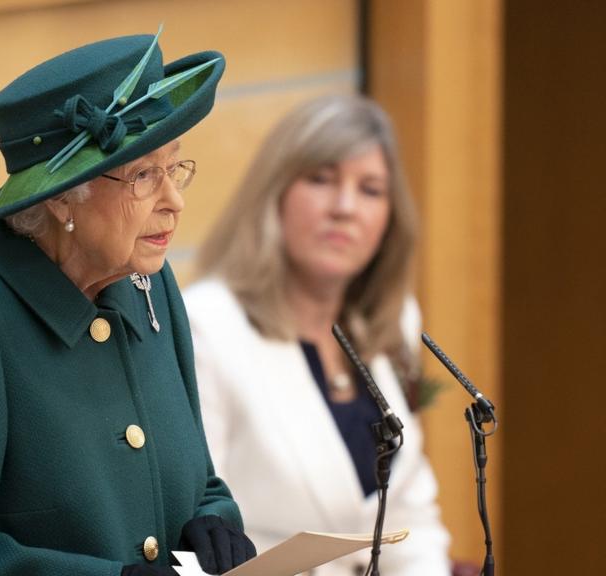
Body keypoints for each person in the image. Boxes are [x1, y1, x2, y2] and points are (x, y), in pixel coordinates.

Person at [0, 30, 256, 576]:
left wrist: (214, 520)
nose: (174, 201)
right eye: (144, 175)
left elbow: (194, 477)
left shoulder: (151, 283)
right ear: (60, 198)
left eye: (174, 167)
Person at [183, 94, 452, 576]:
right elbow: (199, 527)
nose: (345, 208)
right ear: (274, 194)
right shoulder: (207, 326)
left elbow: (412, 516)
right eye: (321, 180)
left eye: (370, 189)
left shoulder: (394, 320)